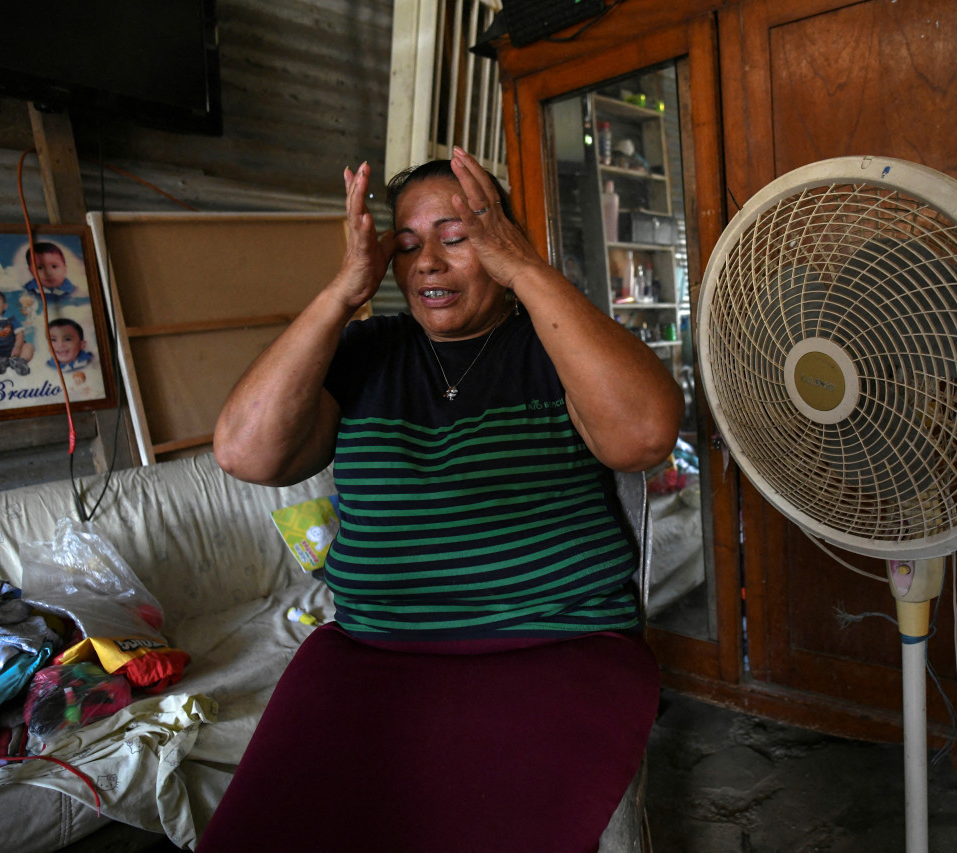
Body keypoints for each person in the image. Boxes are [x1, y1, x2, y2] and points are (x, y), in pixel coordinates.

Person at [203, 148, 684, 852]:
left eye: (456, 238)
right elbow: (244, 452)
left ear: (501, 241)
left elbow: (645, 434)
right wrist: (342, 291)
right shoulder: (369, 350)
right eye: (406, 244)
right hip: (374, 655)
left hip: (557, 647)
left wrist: (525, 269)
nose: (427, 261)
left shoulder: (551, 342)